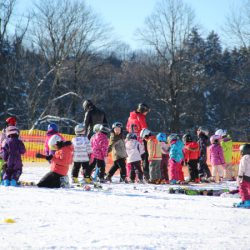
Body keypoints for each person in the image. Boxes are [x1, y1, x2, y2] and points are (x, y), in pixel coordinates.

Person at [126, 103, 150, 181]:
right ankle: (146, 176)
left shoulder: (130, 117)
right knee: (144, 157)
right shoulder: (141, 117)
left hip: (130, 140)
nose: (147, 113)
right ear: (143, 110)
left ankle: (131, 177)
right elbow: (144, 129)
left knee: (132, 159)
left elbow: (127, 127)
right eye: (146, 111)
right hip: (140, 140)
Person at [234, 144, 250, 208]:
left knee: (243, 188)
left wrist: (239, 177)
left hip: (246, 177)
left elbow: (242, 168)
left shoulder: (244, 158)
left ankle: (246, 201)